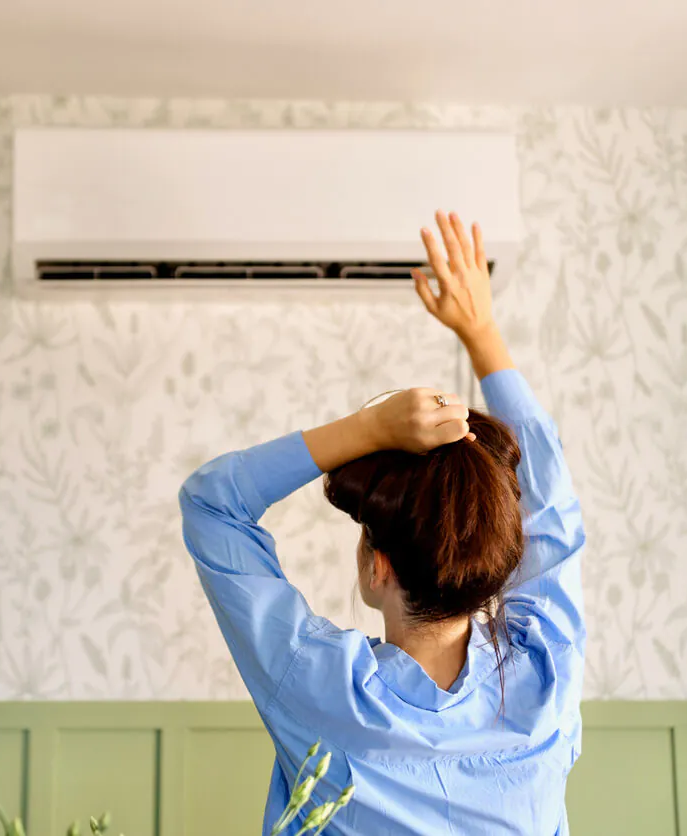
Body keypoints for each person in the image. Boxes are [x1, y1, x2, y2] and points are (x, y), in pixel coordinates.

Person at [179, 211, 585, 835]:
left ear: (379, 564)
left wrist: (367, 429)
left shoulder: (320, 690)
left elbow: (212, 504)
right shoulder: (544, 678)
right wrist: (481, 332)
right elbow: (551, 500)